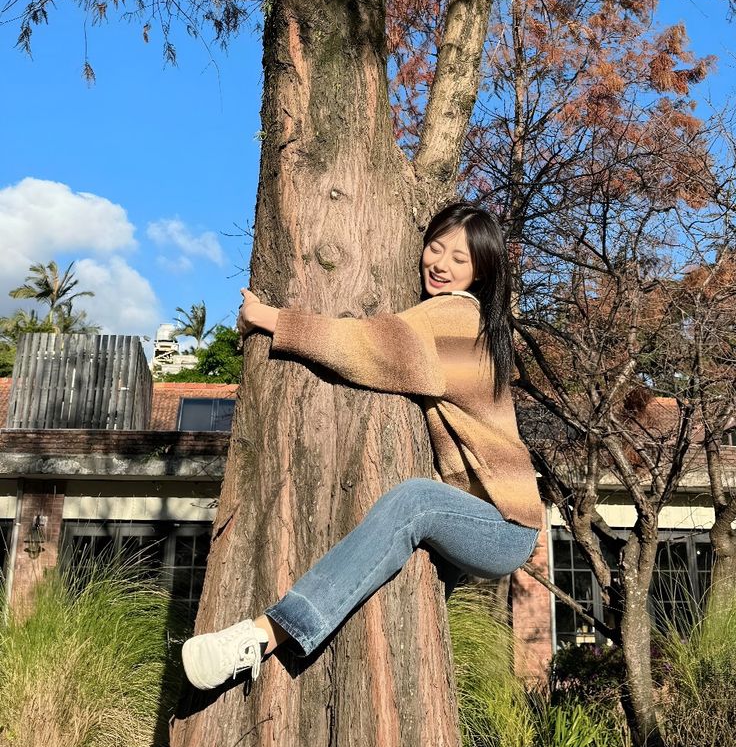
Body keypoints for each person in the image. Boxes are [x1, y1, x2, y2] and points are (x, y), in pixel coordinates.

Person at [182, 201, 543, 691]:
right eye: (435, 248)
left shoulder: (457, 317)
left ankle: (261, 637)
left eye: (460, 259)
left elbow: (369, 345)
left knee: (413, 501)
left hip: (503, 526)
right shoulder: (469, 325)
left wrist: (269, 318)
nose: (440, 264)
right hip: (476, 518)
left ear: (480, 273)